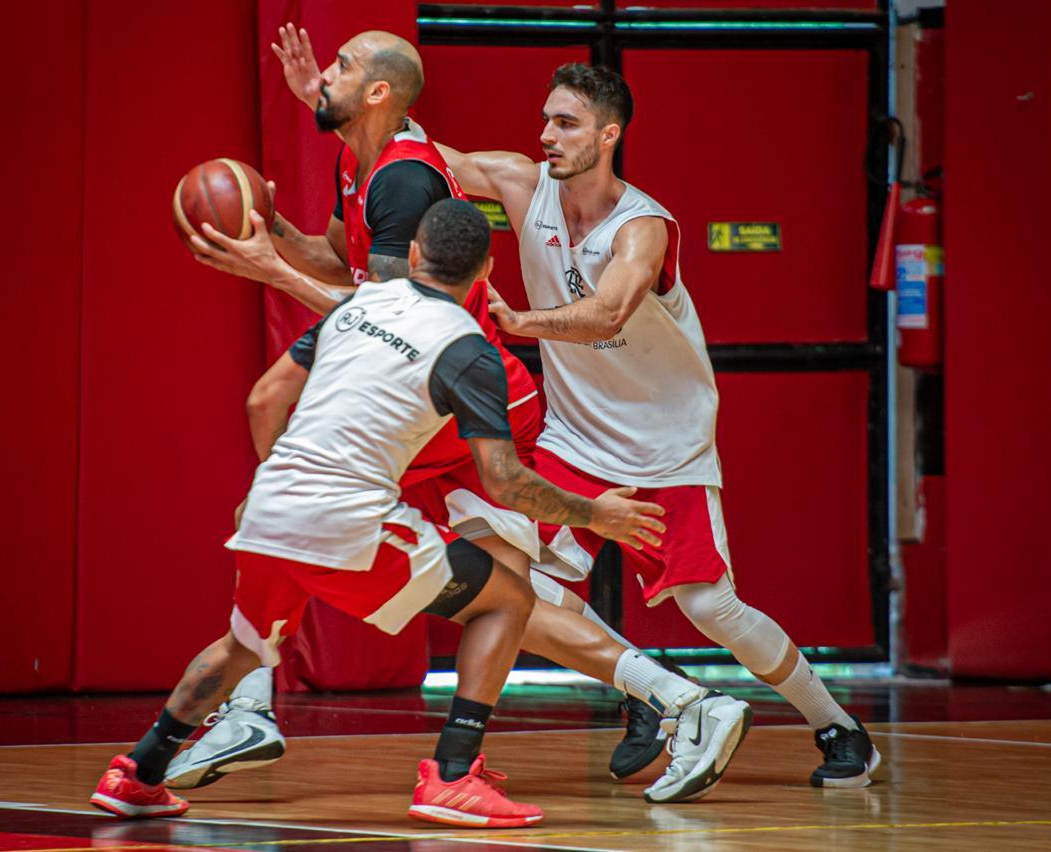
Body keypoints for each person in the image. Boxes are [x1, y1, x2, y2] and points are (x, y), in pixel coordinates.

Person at [174, 26, 735, 797]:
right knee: (494, 588)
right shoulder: (356, 159)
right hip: (427, 393)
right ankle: (670, 696)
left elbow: (384, 319)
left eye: (339, 68)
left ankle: (672, 700)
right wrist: (269, 235)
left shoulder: (406, 182)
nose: (320, 76)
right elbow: (340, 264)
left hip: (461, 394)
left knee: (331, 528)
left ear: (375, 94)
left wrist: (270, 270)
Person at [90, 200, 679, 826]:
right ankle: (453, 775)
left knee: (244, 644)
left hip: (269, 508)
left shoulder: (357, 306)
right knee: (507, 599)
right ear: (486, 270)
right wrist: (595, 515)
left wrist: (280, 477)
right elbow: (504, 482)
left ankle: (139, 772)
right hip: (348, 518)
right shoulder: (470, 350)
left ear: (415, 255)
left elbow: (265, 398)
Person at [435, 64, 883, 788]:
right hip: (573, 439)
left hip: (663, 446)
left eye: (567, 123)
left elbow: (608, 312)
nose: (546, 135)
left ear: (610, 134)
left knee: (712, 607)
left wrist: (519, 320)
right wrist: (338, 108)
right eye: (546, 119)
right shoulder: (523, 186)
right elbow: (429, 157)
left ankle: (839, 726)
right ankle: (649, 689)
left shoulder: (641, 227)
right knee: (502, 574)